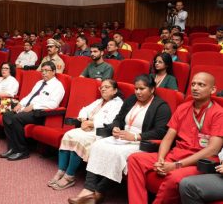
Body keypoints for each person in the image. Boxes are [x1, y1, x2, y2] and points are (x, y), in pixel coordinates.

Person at [69, 74, 172, 204]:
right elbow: (119, 118)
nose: (138, 92)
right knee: (97, 145)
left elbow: (161, 132)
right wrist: (115, 127)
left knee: (117, 155)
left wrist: (136, 136)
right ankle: (89, 189)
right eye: (136, 89)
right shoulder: (131, 100)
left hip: (140, 141)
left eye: (142, 89)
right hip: (122, 136)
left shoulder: (161, 106)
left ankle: (99, 192)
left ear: (152, 89)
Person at [127, 72, 223, 204]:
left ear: (212, 90)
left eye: (201, 85)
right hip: (176, 154)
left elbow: (212, 150)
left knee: (174, 176)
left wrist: (176, 166)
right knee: (135, 159)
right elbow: (168, 138)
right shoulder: (183, 108)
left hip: (199, 161)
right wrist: (161, 159)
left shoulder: (219, 113)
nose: (195, 88)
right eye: (193, 84)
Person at [48, 79, 123, 190]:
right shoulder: (99, 101)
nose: (103, 89)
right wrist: (83, 119)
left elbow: (111, 122)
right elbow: (84, 109)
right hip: (88, 127)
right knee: (68, 135)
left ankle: (69, 176)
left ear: (115, 90)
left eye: (106, 87)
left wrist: (91, 123)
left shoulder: (118, 104)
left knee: (79, 139)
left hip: (100, 132)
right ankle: (61, 171)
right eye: (101, 87)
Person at [0, 61, 65, 161]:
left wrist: (34, 106)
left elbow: (53, 104)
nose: (43, 73)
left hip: (41, 114)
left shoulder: (58, 86)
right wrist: (20, 104)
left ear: (54, 72)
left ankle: (22, 151)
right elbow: (30, 95)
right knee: (7, 115)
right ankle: (13, 148)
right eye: (42, 70)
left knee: (17, 118)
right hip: (27, 109)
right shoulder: (39, 83)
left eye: (46, 71)